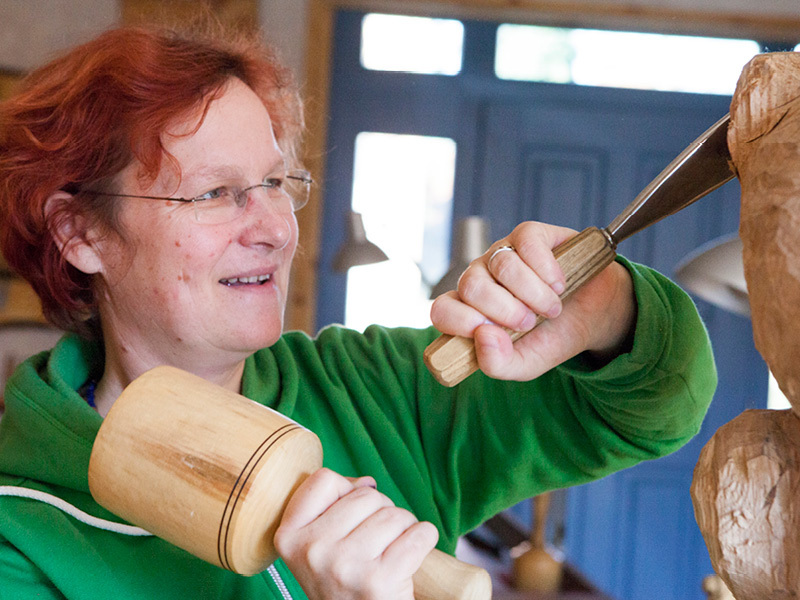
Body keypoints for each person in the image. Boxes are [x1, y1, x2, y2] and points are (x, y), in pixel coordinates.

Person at [0, 21, 716, 600]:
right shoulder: (18, 526)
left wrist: (607, 312)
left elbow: (656, 406)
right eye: (215, 192)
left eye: (277, 181)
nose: (277, 229)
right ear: (80, 233)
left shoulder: (380, 391)